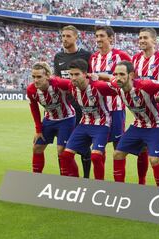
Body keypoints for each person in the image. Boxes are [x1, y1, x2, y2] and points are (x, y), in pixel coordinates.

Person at [109, 61, 159, 187]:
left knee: (155, 159)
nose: (118, 77)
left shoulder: (145, 85)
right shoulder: (116, 84)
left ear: (131, 75)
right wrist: (93, 77)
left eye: (121, 74)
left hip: (156, 125)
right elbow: (108, 79)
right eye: (116, 74)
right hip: (138, 125)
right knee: (117, 154)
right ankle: (119, 190)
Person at [59, 59, 116, 179]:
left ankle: (98, 187)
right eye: (71, 74)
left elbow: (118, 84)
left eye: (76, 74)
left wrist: (101, 76)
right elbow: (54, 81)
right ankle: (76, 184)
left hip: (101, 123)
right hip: (84, 123)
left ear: (85, 74)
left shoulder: (98, 86)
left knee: (96, 157)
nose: (73, 78)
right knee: (65, 156)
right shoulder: (71, 86)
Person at [132, 28, 159, 187]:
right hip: (141, 113)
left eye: (145, 38)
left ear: (154, 41)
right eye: (140, 37)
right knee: (142, 149)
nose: (141, 40)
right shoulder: (135, 59)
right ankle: (141, 183)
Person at [54, 25, 92, 178]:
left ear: (77, 37)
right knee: (62, 147)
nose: (65, 39)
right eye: (63, 36)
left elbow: (91, 78)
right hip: (64, 109)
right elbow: (57, 81)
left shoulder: (87, 55)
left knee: (83, 145)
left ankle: (86, 178)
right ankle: (66, 178)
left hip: (82, 107)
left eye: (68, 36)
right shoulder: (58, 57)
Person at [88, 26, 131, 158]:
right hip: (99, 109)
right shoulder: (93, 58)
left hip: (116, 108)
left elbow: (131, 80)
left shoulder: (121, 56)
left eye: (102, 36)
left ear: (111, 38)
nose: (98, 39)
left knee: (118, 147)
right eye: (97, 36)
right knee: (98, 147)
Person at [27, 62, 75, 174]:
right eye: (33, 77)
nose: (35, 80)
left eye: (39, 77)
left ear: (48, 76)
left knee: (62, 151)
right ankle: (36, 178)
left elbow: (75, 85)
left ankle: (70, 178)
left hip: (66, 119)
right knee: (37, 147)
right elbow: (34, 109)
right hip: (49, 120)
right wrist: (38, 130)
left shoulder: (59, 83)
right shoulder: (31, 90)